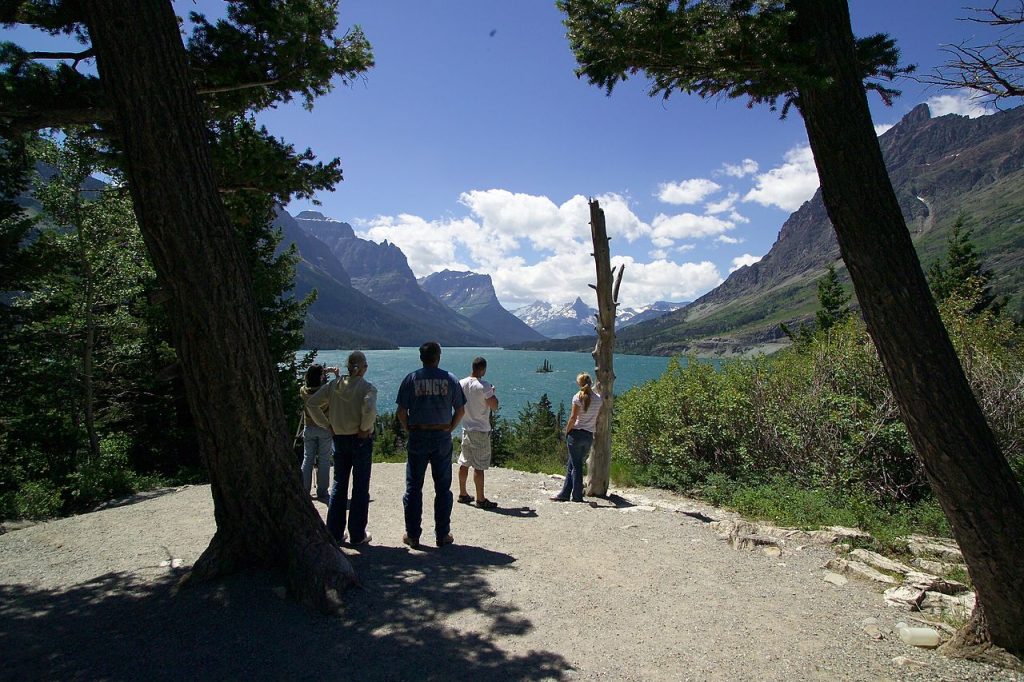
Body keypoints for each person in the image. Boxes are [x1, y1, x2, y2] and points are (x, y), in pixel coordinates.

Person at [396, 341, 466, 548]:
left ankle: (413, 535)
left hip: (418, 435)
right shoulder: (450, 379)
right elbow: (460, 410)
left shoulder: (411, 379)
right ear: (438, 357)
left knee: (414, 487)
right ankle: (442, 534)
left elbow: (401, 412)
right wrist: (450, 427)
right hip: (441, 436)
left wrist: (410, 429)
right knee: (443, 487)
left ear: (421, 358)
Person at [308, 351, 377, 545]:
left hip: (339, 439)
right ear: (364, 368)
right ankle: (357, 534)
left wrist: (327, 425)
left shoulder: (333, 385)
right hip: (360, 440)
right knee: (361, 486)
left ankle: (335, 532)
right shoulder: (367, 388)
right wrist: (365, 428)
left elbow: (312, 404)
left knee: (339, 484)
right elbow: (369, 408)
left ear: (348, 367)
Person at [551, 372, 603, 503]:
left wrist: (566, 431)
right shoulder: (598, 399)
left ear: (579, 384)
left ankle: (577, 495)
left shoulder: (577, 397)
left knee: (577, 466)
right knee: (573, 463)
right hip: (589, 436)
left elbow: (573, 418)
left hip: (576, 435)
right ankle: (564, 493)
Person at [457, 357, 499, 509]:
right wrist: (492, 393)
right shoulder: (485, 385)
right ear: (483, 369)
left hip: (466, 428)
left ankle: (463, 494)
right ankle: (480, 500)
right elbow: (494, 406)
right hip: (480, 430)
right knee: (479, 466)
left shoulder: (461, 383)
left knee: (464, 462)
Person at [299, 364, 333, 502]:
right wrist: (333, 373)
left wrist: (319, 372)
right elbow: (336, 388)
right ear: (321, 377)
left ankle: (304, 489)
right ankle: (322, 490)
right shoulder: (324, 391)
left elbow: (308, 381)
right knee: (324, 459)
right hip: (325, 427)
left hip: (309, 427)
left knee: (308, 458)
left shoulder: (303, 391)